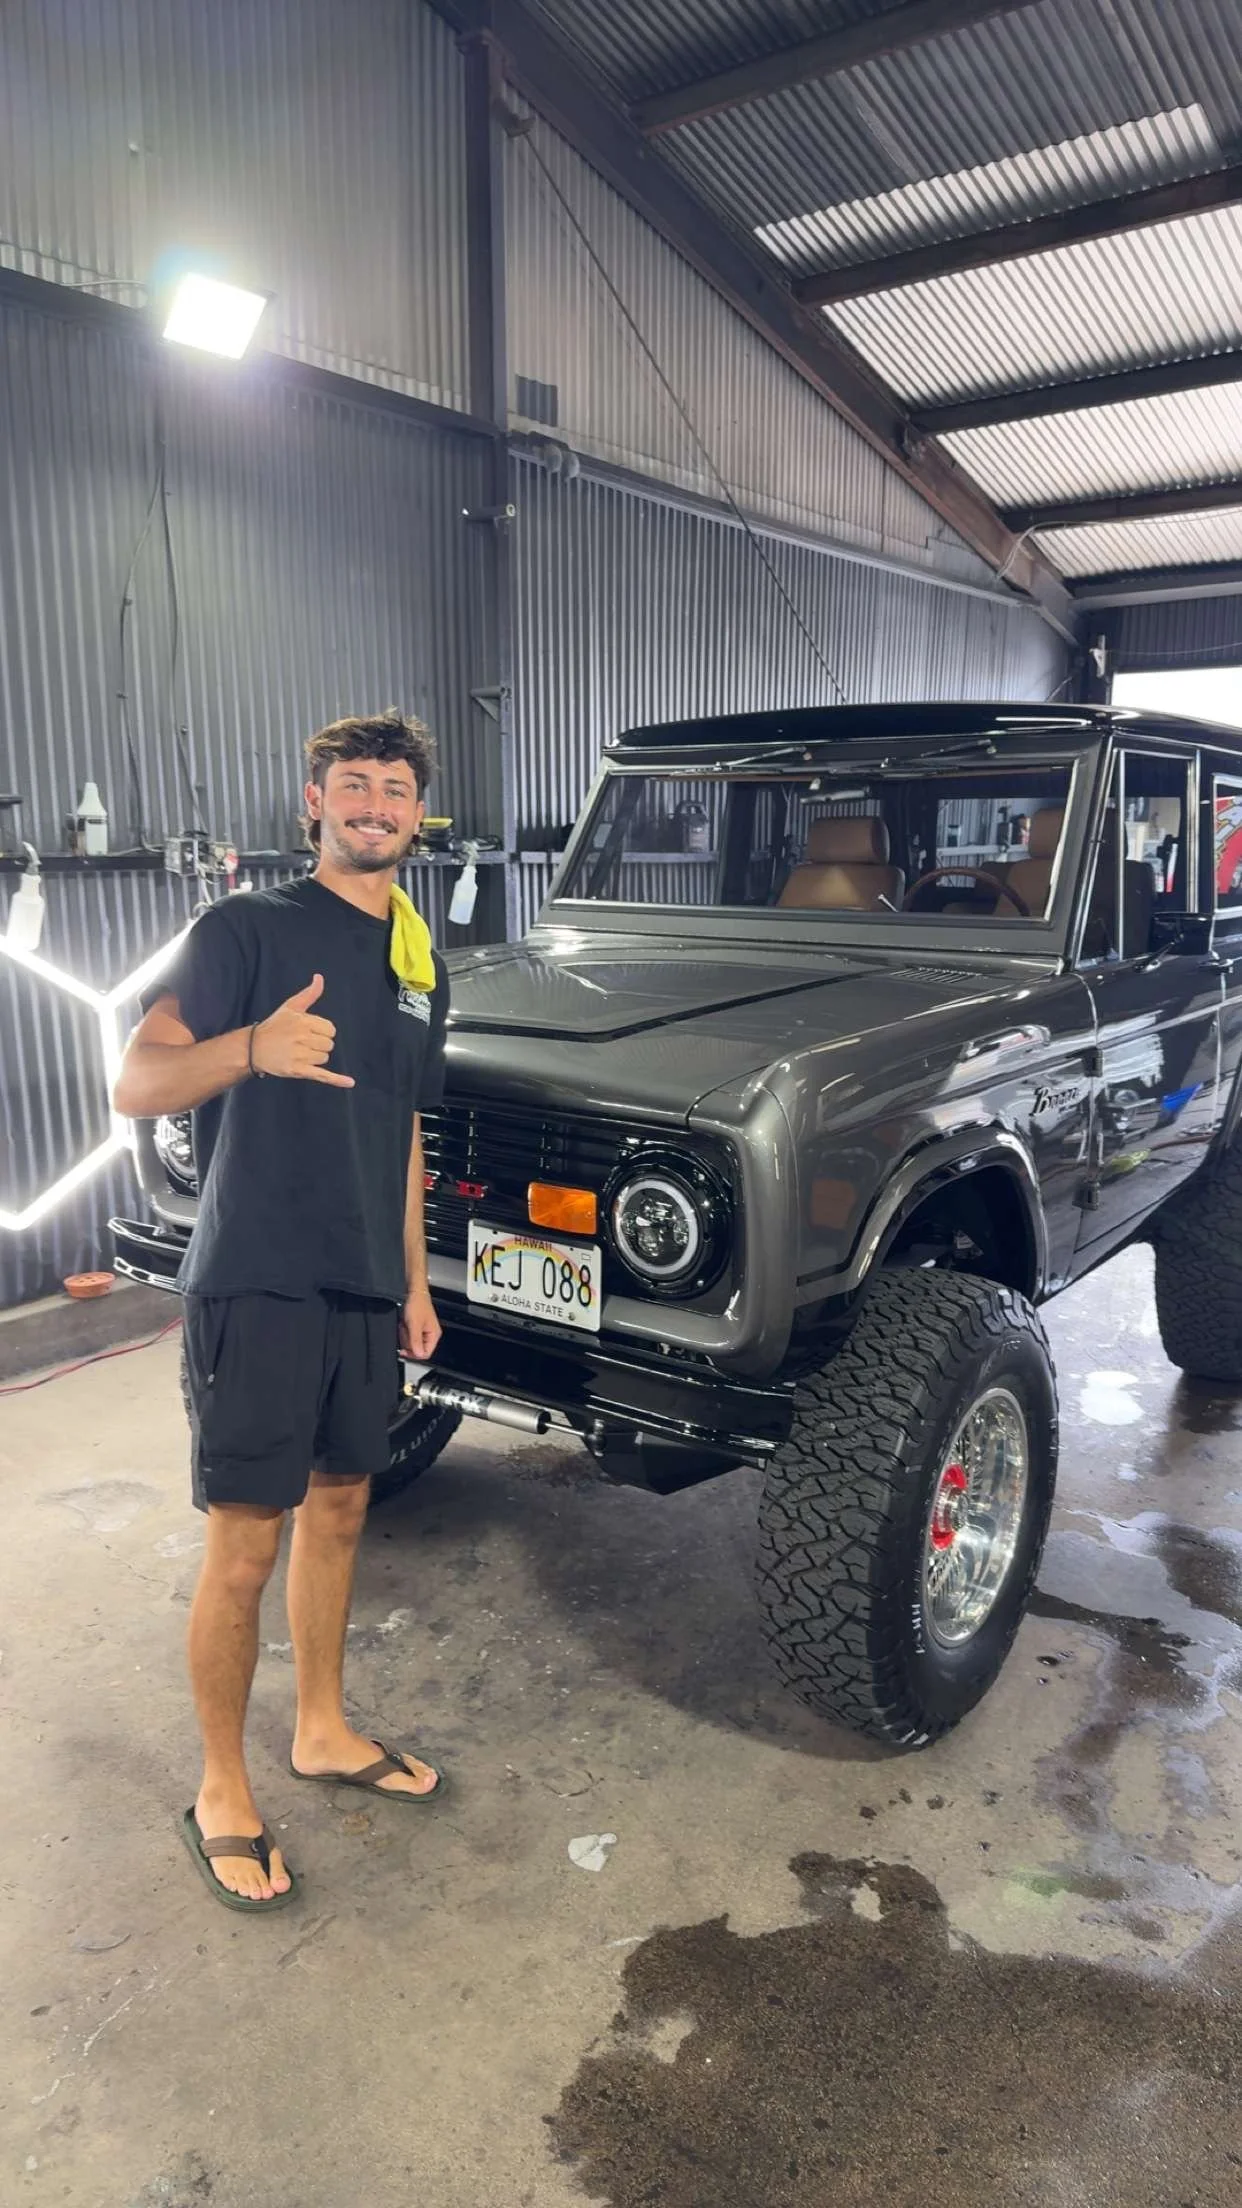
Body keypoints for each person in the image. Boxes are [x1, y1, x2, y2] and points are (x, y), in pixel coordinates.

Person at [113, 711, 450, 1911]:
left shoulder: (420, 960)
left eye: (395, 788)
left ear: (419, 814)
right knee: (246, 1543)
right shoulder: (244, 929)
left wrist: (414, 1283)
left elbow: (405, 1128)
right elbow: (137, 1079)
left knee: (344, 1510)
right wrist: (251, 1046)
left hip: (362, 1286)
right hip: (256, 1277)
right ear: (314, 802)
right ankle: (219, 1787)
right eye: (351, 784)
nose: (373, 803)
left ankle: (320, 1730)